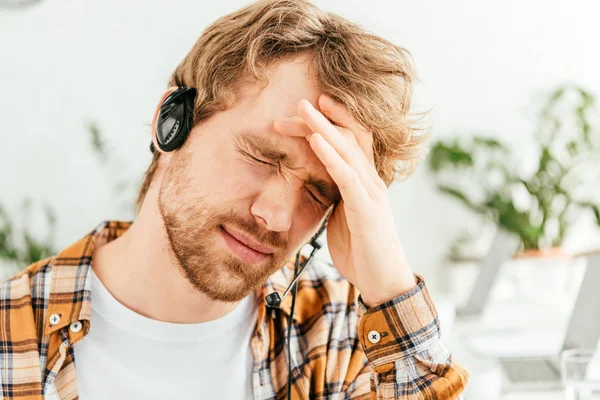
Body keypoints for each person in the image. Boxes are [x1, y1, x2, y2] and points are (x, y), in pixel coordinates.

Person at [0, 0, 468, 399]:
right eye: (262, 156)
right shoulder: (12, 331)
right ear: (172, 123)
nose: (278, 216)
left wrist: (391, 289)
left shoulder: (344, 335)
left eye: (318, 192)